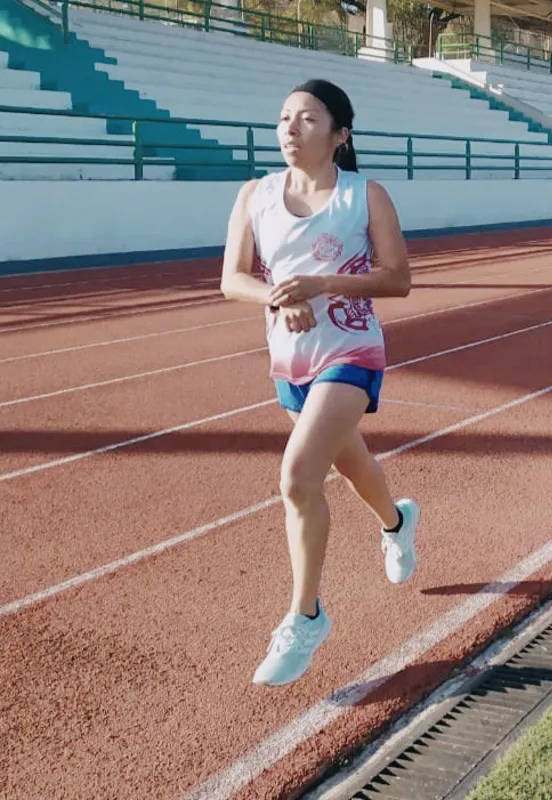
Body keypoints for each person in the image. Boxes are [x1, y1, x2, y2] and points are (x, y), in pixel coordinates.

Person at [220, 79, 421, 687]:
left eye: (307, 119)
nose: (289, 128)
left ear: (340, 134)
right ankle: (396, 522)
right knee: (349, 464)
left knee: (298, 477)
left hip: (350, 351)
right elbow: (233, 279)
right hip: (289, 358)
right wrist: (280, 301)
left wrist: (323, 284)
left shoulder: (364, 195)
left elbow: (398, 279)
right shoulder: (255, 195)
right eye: (283, 117)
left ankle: (306, 615)